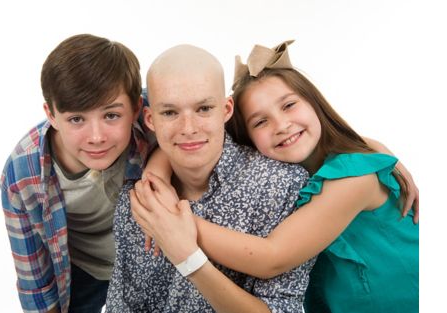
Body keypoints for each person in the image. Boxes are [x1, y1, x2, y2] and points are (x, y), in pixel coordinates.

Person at [132, 41, 419, 313]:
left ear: (314, 102)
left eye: (289, 105)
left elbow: (272, 258)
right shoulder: (280, 174)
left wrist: (172, 222)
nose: (281, 125)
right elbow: (190, 133)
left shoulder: (355, 179)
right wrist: (157, 169)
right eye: (260, 121)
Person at [105, 44, 315, 313]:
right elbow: (122, 306)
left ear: (226, 109)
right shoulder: (136, 200)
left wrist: (188, 257)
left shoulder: (281, 186)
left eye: (203, 108)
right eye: (170, 113)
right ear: (150, 119)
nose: (189, 128)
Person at [0, 34, 153, 313]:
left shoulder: (160, 113)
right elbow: (34, 277)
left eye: (111, 116)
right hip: (85, 271)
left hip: (152, 262)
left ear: (136, 108)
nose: (96, 137)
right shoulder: (22, 173)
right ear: (51, 114)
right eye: (76, 119)